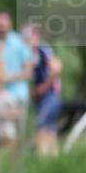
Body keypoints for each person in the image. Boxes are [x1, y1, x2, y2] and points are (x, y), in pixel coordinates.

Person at [0, 11, 33, 138]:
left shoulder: (20, 43)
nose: (1, 29)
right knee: (3, 136)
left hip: (18, 95)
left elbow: (28, 72)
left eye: (4, 26)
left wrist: (7, 78)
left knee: (19, 135)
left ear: (10, 25)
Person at [23, 24, 63, 156]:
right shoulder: (29, 53)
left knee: (40, 127)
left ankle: (42, 161)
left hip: (49, 95)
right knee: (49, 130)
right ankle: (53, 163)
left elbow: (56, 68)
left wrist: (44, 87)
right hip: (40, 98)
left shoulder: (42, 50)